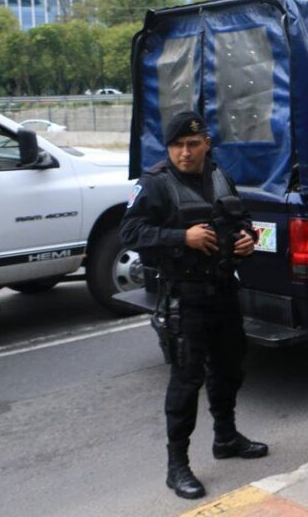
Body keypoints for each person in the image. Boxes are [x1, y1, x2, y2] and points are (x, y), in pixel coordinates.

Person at [121, 111, 269, 499]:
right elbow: (130, 232)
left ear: (206, 144)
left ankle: (226, 438)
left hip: (222, 291)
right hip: (184, 299)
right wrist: (179, 237)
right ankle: (177, 466)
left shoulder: (220, 175)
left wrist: (247, 239)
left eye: (191, 144)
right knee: (186, 383)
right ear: (168, 148)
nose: (184, 153)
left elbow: (241, 218)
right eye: (176, 146)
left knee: (230, 368)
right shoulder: (154, 184)